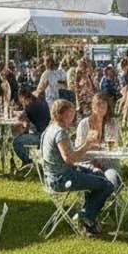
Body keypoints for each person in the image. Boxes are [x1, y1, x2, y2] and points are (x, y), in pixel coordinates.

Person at [40, 99, 111, 238]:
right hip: (62, 179)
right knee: (106, 185)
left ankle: (87, 218)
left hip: (55, 175)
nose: (73, 116)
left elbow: (69, 155)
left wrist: (87, 146)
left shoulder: (50, 129)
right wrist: (87, 145)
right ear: (63, 114)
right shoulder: (60, 133)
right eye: (71, 113)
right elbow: (69, 158)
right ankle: (86, 217)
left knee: (97, 173)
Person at [74, 92, 123, 187]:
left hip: (108, 164)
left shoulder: (112, 123)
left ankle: (113, 199)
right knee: (96, 178)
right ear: (92, 106)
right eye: (97, 105)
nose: (100, 108)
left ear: (107, 108)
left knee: (112, 178)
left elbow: (115, 146)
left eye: (103, 105)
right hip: (88, 164)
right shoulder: (84, 124)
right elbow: (78, 148)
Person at [12, 85, 50, 167]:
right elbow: (27, 122)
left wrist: (13, 112)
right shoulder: (41, 102)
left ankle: (29, 162)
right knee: (24, 135)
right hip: (47, 134)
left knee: (16, 142)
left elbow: (20, 117)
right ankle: (29, 162)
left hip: (40, 136)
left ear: (21, 97)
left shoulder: (30, 105)